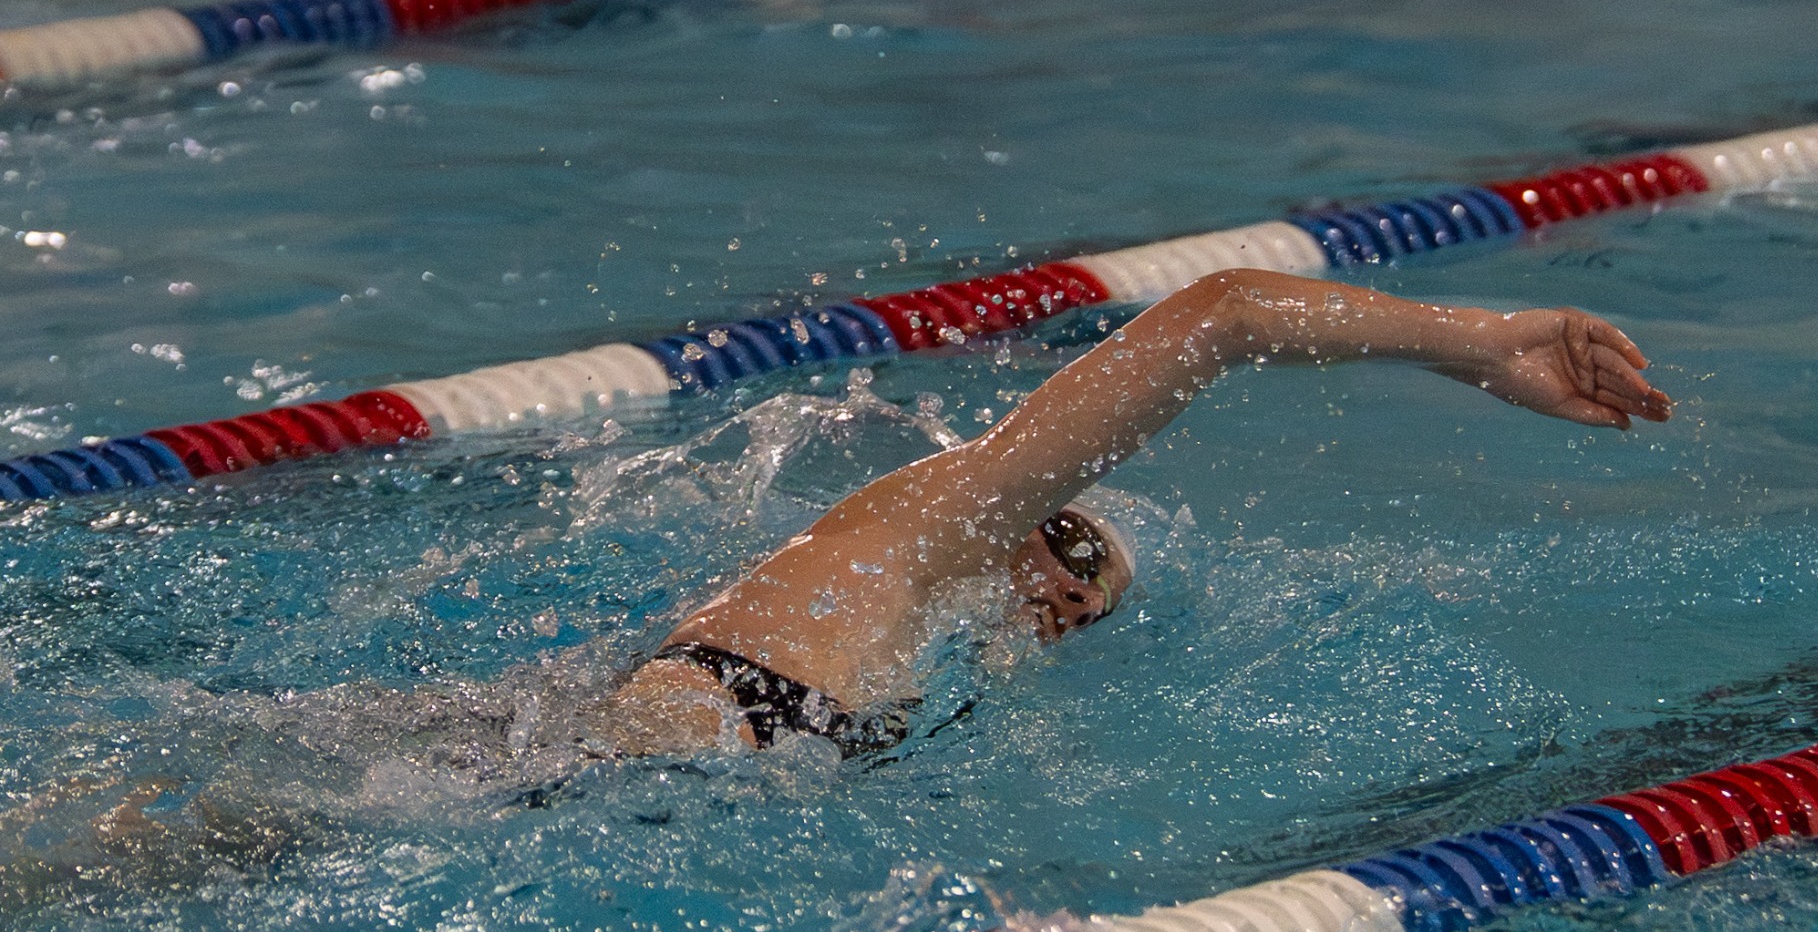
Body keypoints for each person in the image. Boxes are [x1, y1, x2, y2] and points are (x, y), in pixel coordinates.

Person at [592, 268, 1671, 760]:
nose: (1072, 590)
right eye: (1072, 544)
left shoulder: (934, 656)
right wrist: (1478, 343)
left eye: (1094, 597)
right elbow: (1226, 315)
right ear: (1028, 510)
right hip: (700, 719)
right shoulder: (949, 516)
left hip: (742, 754)